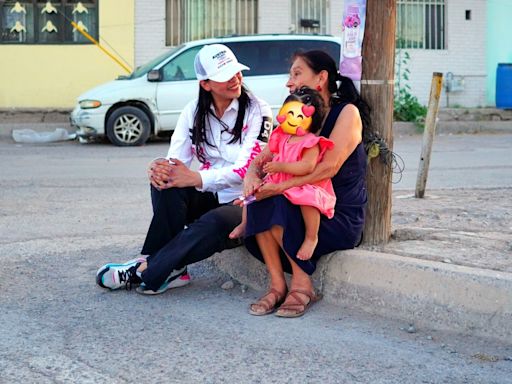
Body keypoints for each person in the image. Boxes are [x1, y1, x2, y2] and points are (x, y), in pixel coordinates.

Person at [96, 44, 272, 294]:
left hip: (244, 203)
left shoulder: (258, 110)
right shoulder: (193, 111)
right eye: (225, 76)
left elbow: (247, 171)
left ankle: (144, 269)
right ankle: (169, 268)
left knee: (213, 222)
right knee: (165, 181)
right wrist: (160, 169)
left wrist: (195, 178)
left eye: (236, 72)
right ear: (206, 84)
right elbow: (175, 163)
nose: (235, 80)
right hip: (211, 193)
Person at [242, 50, 370, 317]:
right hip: (297, 207)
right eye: (290, 76)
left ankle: (302, 285)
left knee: (275, 200)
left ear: (321, 78)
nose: (289, 83)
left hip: (334, 215)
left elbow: (328, 168)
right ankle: (277, 285)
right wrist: (252, 177)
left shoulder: (347, 113)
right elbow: (262, 157)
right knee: (260, 200)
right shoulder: (295, 118)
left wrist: (278, 187)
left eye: (297, 74)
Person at [230, 88, 335, 264]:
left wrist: (281, 166)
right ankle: (245, 222)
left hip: (300, 184)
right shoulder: (281, 136)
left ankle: (311, 237)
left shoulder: (310, 142)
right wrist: (257, 172)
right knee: (255, 193)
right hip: (279, 181)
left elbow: (307, 167)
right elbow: (263, 156)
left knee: (309, 200)